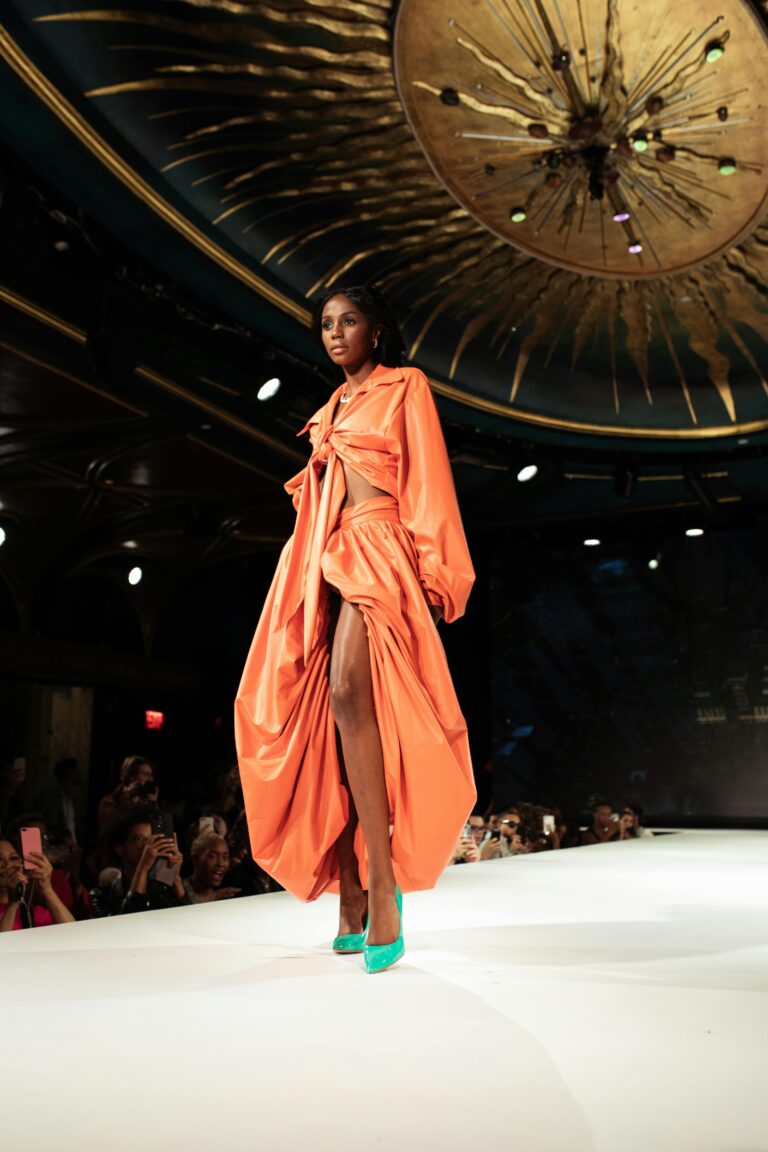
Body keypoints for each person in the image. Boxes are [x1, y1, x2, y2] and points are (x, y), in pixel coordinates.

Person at [236, 284, 476, 973]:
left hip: (375, 547)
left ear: (377, 331)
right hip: (316, 554)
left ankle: (385, 891)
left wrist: (436, 573)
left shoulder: (406, 387)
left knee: (346, 694)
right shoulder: (328, 410)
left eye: (348, 322)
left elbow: (429, 480)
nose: (335, 334)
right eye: (326, 325)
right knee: (310, 715)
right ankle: (347, 888)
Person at [89, 804, 188, 916]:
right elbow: (127, 924)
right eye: (140, 839)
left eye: (152, 840)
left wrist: (174, 875)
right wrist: (143, 868)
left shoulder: (161, 889)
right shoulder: (101, 894)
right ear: (120, 848)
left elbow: (190, 919)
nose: (148, 846)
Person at [0, 837, 75, 930]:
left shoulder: (35, 913)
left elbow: (71, 931)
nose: (7, 864)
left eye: (13, 858)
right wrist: (11, 906)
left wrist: (47, 889)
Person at [183, 832, 241, 904]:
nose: (220, 863)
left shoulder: (227, 897)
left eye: (225, 857)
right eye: (212, 856)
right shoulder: (178, 890)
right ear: (196, 858)